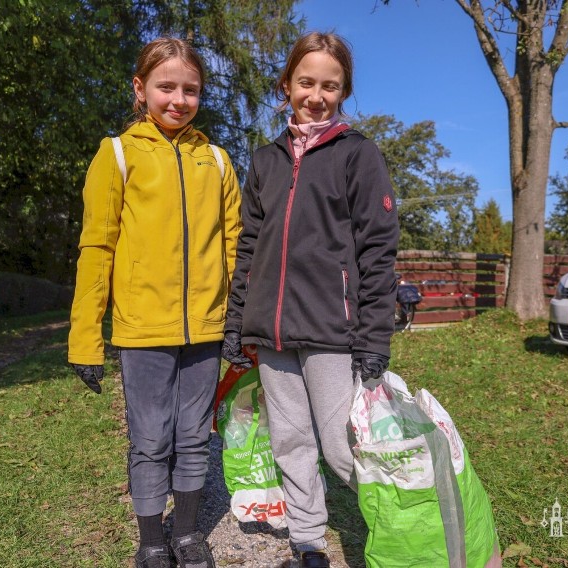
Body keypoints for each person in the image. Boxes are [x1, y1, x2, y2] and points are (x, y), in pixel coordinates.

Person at [222, 31, 399, 568]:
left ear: (342, 91)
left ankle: (400, 526)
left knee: (344, 448)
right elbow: (248, 246)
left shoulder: (358, 154)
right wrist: (237, 325)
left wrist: (374, 338)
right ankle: (307, 542)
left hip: (332, 331)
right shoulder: (265, 161)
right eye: (306, 82)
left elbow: (377, 248)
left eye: (330, 85)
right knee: (291, 443)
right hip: (272, 333)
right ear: (287, 85)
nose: (316, 94)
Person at [68, 37, 242, 568]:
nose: (179, 99)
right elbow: (96, 246)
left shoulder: (216, 159)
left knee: (193, 437)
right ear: (140, 89)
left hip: (206, 331)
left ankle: (187, 534)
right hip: (143, 331)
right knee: (150, 438)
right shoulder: (116, 154)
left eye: (191, 89)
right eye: (166, 87)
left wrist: (238, 320)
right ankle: (149, 540)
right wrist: (84, 337)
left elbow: (234, 244)